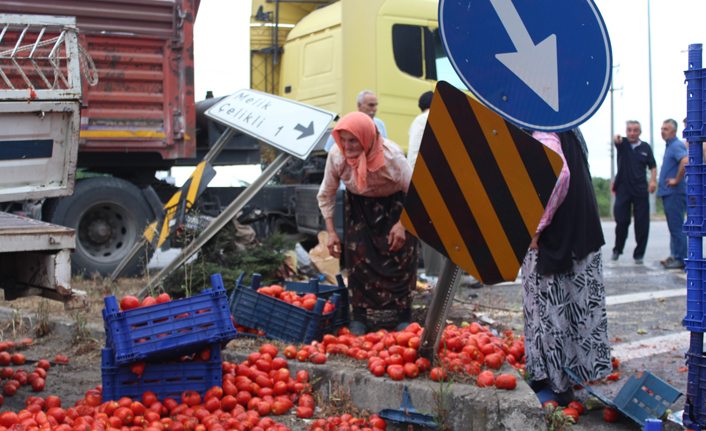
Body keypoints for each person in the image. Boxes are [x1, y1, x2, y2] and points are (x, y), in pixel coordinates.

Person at [522, 128, 611, 405]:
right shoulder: (569, 124)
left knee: (548, 311)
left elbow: (558, 174)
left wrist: (536, 229)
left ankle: (555, 385)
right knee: (576, 310)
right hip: (579, 232)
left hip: (554, 238)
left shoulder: (541, 127)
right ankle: (566, 378)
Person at [318, 112, 418, 335]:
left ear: (366, 137)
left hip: (396, 206)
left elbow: (417, 192)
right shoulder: (337, 155)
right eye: (342, 139)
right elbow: (326, 194)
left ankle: (403, 315)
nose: (347, 146)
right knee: (357, 261)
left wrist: (402, 224)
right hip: (358, 208)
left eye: (353, 140)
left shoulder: (392, 157)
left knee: (400, 257)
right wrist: (331, 232)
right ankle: (360, 316)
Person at [611, 121, 657, 264]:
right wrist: (617, 137)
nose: (632, 133)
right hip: (623, 189)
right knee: (622, 221)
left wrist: (653, 181)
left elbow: (653, 166)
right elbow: (616, 139)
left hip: (640, 190)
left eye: (635, 130)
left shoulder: (645, 147)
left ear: (640, 132)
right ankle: (617, 250)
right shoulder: (622, 144)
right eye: (629, 130)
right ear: (626, 131)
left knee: (642, 223)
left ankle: (639, 254)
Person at [657, 119, 688, 269]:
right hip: (670, 193)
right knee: (673, 227)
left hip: (675, 193)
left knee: (677, 227)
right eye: (662, 128)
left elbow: (685, 160)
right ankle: (675, 255)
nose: (663, 131)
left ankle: (681, 259)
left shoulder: (676, 145)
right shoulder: (670, 146)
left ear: (674, 131)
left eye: (666, 129)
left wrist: (676, 179)